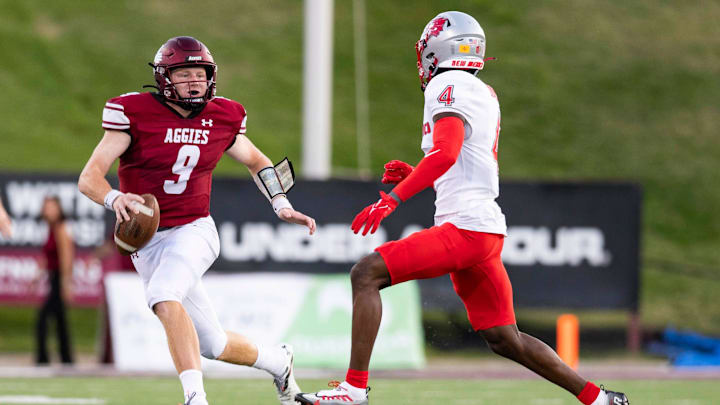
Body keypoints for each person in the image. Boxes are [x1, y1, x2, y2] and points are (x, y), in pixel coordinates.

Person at [296, 11, 629, 405]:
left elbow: (447, 152)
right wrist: (415, 173)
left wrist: (392, 199)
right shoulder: (480, 90)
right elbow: (461, 160)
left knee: (366, 273)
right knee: (506, 339)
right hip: (483, 229)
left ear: (436, 50)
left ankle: (353, 390)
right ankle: (600, 398)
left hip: (466, 228)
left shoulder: (447, 85)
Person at [78, 36, 316, 405]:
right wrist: (114, 197)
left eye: (200, 73)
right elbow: (89, 176)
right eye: (184, 73)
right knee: (212, 343)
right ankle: (278, 360)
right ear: (163, 77)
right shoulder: (132, 112)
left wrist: (281, 203)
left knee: (162, 295)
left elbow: (257, 161)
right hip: (147, 241)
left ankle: (195, 398)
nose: (194, 81)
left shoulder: (224, 114)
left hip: (194, 229)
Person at [35, 195, 75, 365]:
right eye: (46, 207)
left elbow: (67, 257)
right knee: (60, 321)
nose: (48, 211)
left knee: (43, 318)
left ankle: (43, 358)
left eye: (52, 207)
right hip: (53, 277)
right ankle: (66, 358)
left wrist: (66, 284)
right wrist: (36, 277)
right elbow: (47, 256)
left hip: (59, 278)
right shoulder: (51, 228)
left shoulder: (61, 228)